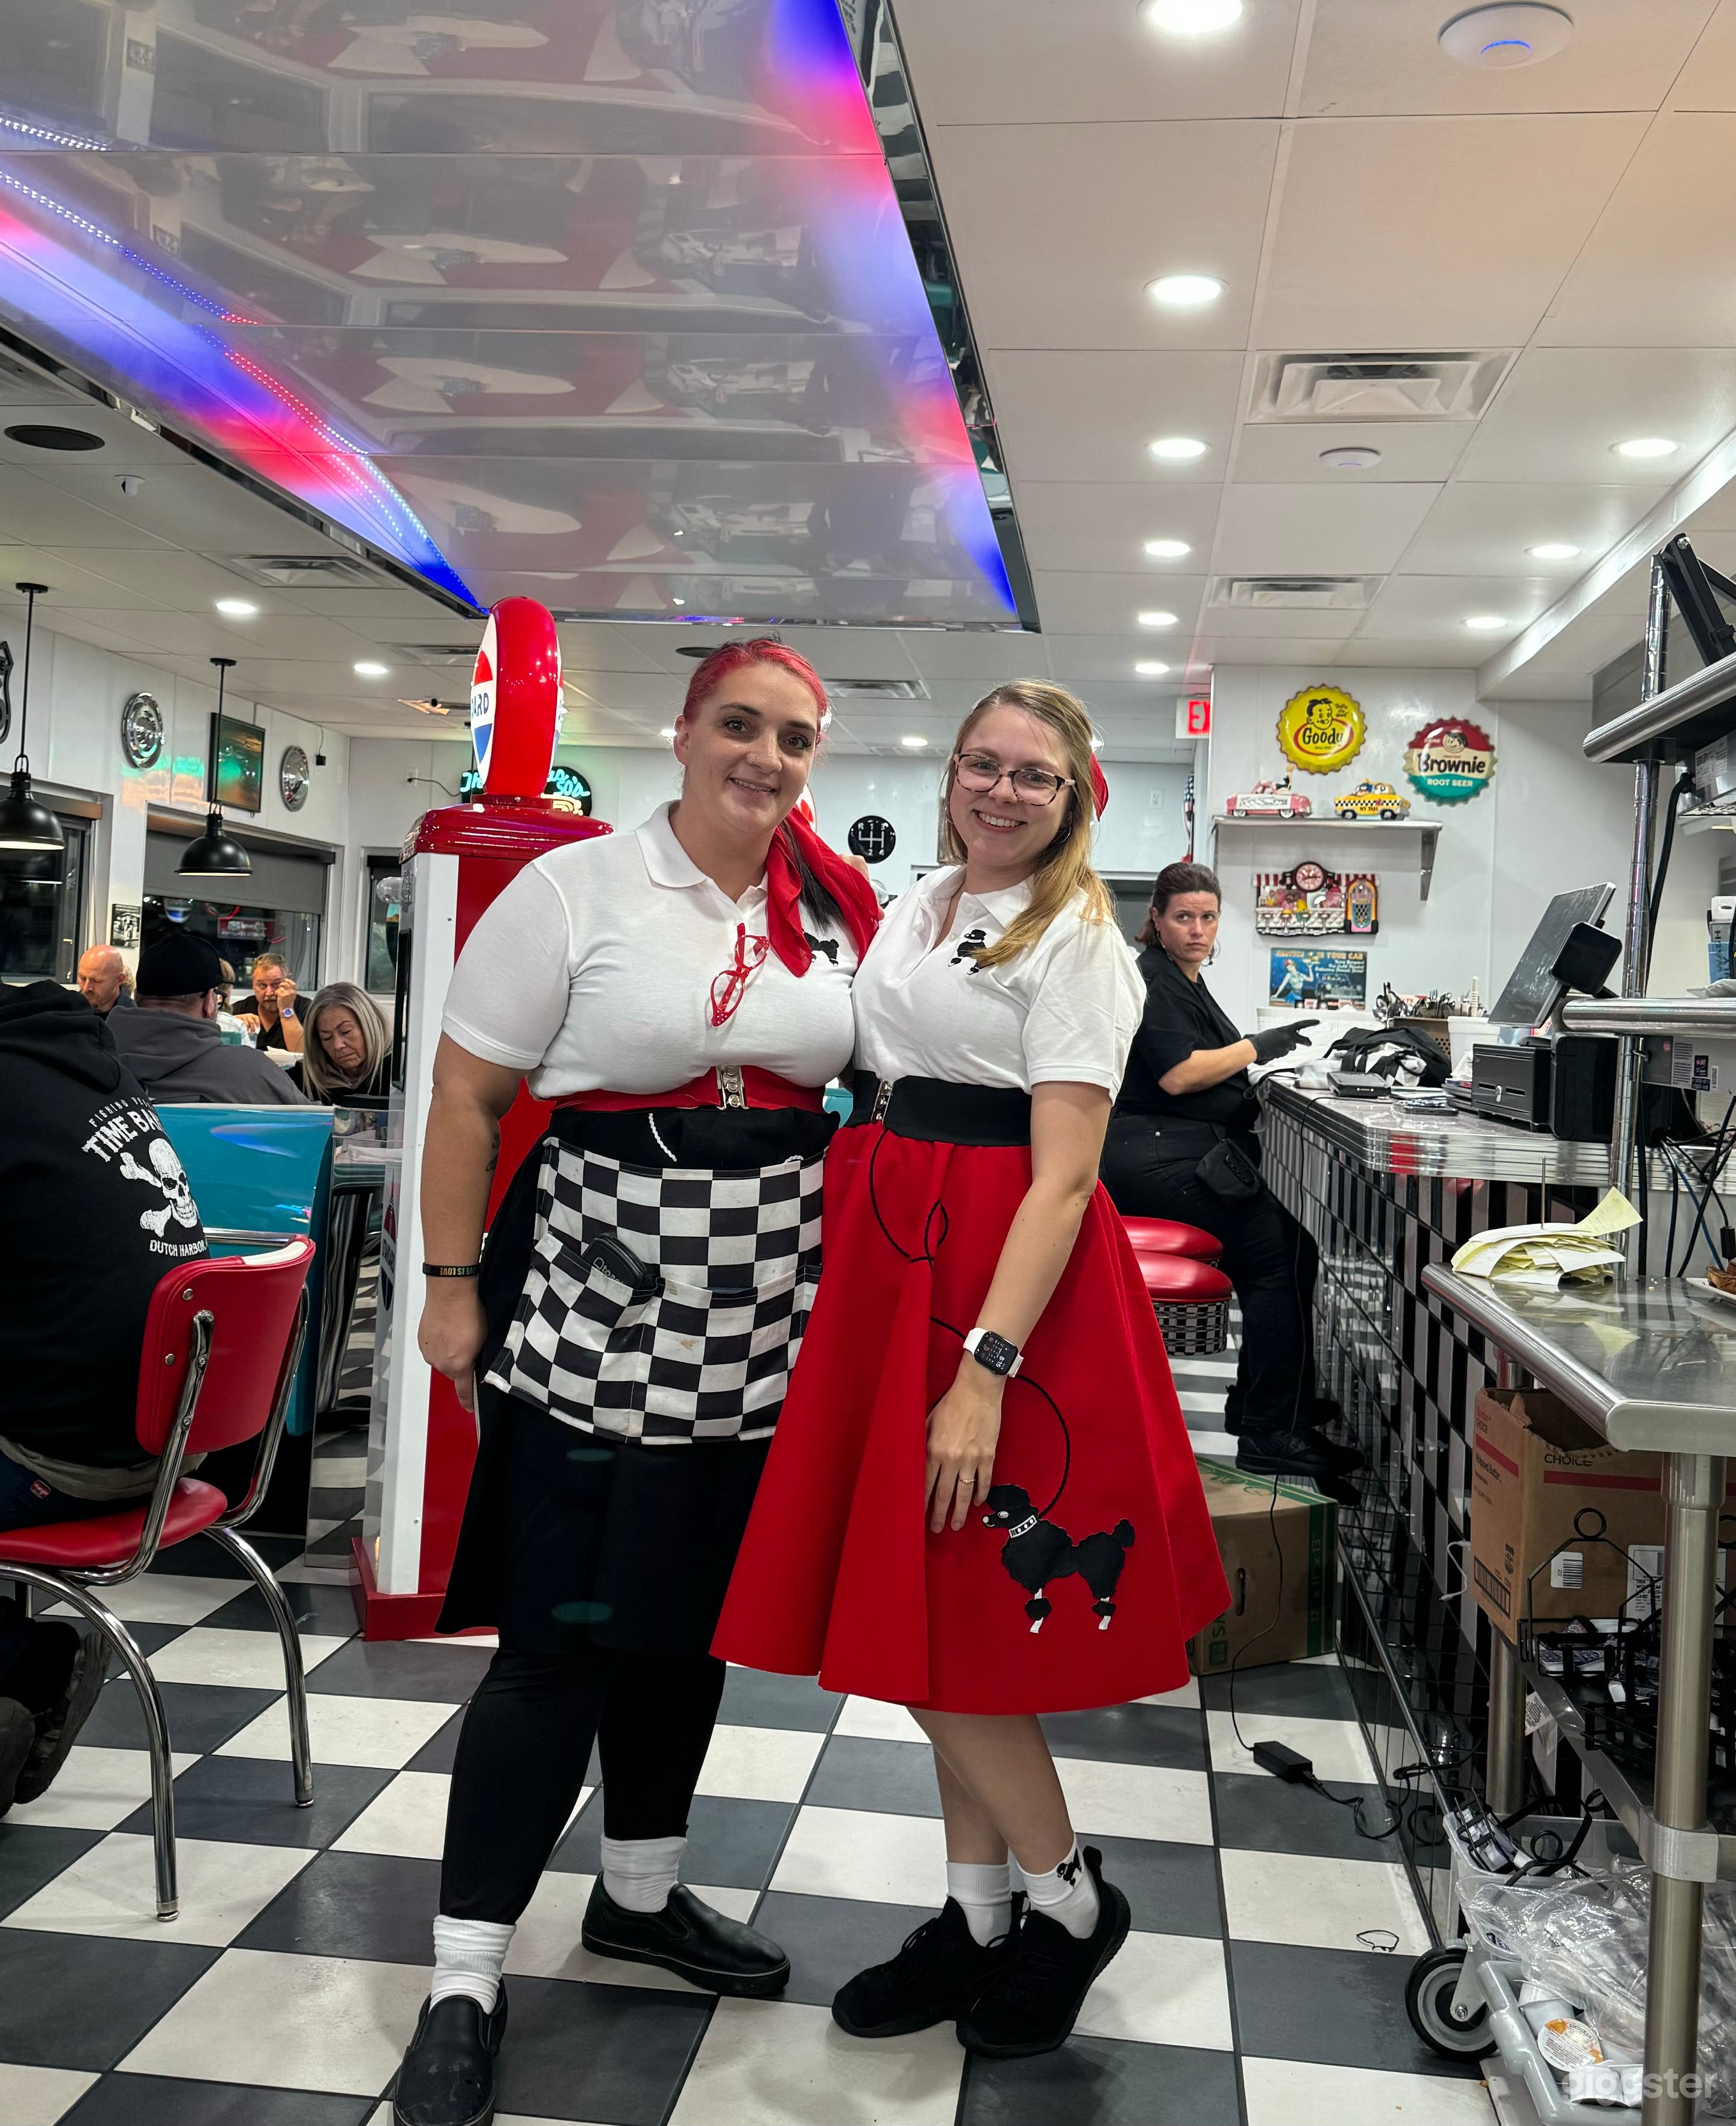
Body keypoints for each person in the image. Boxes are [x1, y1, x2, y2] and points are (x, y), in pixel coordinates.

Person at [392, 640, 879, 2126]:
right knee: (558, 1642)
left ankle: (641, 1896)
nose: (767, 757)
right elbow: (466, 1095)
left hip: (765, 1330)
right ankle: (463, 1976)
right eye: (740, 725)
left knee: (683, 1632)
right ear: (682, 732)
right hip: (594, 1314)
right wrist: (449, 1280)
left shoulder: (831, 905)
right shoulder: (575, 889)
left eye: (793, 737)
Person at [715, 682, 1230, 2062]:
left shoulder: (1077, 939)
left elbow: (1064, 1176)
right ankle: (977, 1912)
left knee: (947, 1613)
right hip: (899, 1260)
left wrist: (986, 1364)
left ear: (1075, 799)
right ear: (952, 773)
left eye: (1036, 778)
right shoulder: (926, 897)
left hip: (1000, 1283)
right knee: (925, 1609)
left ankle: (1067, 1899)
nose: (1003, 791)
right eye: (984, 764)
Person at [0, 982, 210, 1811]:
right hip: (171, 1437)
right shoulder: (91, 1070)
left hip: (66, 1458)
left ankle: (25, 1661)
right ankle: (24, 1664)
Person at [1099, 861, 1361, 1484]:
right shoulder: (1157, 981)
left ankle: (1275, 1403)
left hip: (1176, 1149)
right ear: (1156, 920)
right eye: (1183, 917)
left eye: (1208, 917)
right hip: (1159, 1159)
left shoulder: (1183, 979)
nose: (1197, 929)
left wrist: (1252, 1058)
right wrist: (1256, 1047)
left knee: (1293, 1248)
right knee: (1275, 1257)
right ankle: (1270, 1430)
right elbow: (1178, 1074)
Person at [108, 929, 309, 1105]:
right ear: (209, 1003)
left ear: (137, 996)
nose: (268, 992)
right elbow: (317, 1129)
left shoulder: (94, 1061)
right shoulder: (253, 1074)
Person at [291, 982, 391, 1102]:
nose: (338, 1045)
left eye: (346, 1031)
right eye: (326, 1037)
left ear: (371, 1025)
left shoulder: (399, 1076)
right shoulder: (305, 1081)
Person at [234, 952, 304, 1054]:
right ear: (253, 984)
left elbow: (301, 1054)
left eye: (276, 984)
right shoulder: (240, 1009)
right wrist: (233, 1023)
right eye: (262, 985)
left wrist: (286, 1009)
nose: (269, 992)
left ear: (289, 981)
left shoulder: (306, 1008)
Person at [76, 945, 133, 1016]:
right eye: (83, 978)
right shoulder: (69, 1010)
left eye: (96, 981)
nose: (86, 988)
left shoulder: (133, 1019)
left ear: (119, 979)